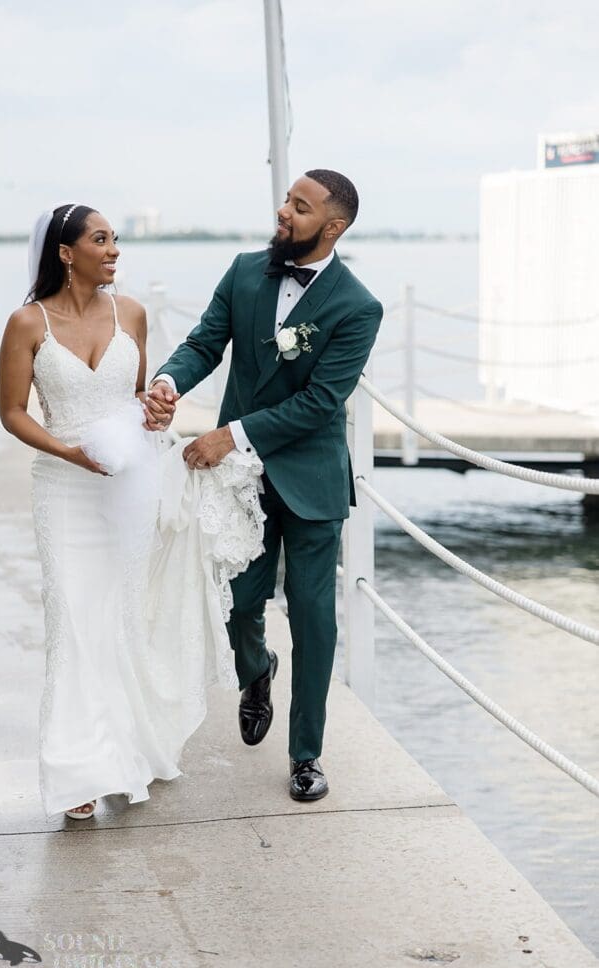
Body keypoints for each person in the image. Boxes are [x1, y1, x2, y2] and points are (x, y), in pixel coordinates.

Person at [0, 204, 264, 822]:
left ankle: (125, 751)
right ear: (66, 252)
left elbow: (139, 401)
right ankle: (78, 769)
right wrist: (69, 452)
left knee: (122, 618)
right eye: (100, 239)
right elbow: (12, 412)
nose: (114, 249)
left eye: (115, 239)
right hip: (64, 489)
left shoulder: (133, 314)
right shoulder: (27, 322)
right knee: (73, 621)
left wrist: (158, 410)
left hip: (130, 487)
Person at [146, 169, 383, 801]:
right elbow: (204, 343)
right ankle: (257, 670)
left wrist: (230, 434)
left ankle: (307, 754)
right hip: (240, 483)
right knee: (235, 604)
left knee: (312, 618)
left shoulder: (358, 306)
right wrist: (168, 382)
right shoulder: (245, 271)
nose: (284, 212)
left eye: (300, 207)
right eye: (286, 200)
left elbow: (321, 402)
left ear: (333, 226)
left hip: (311, 481)